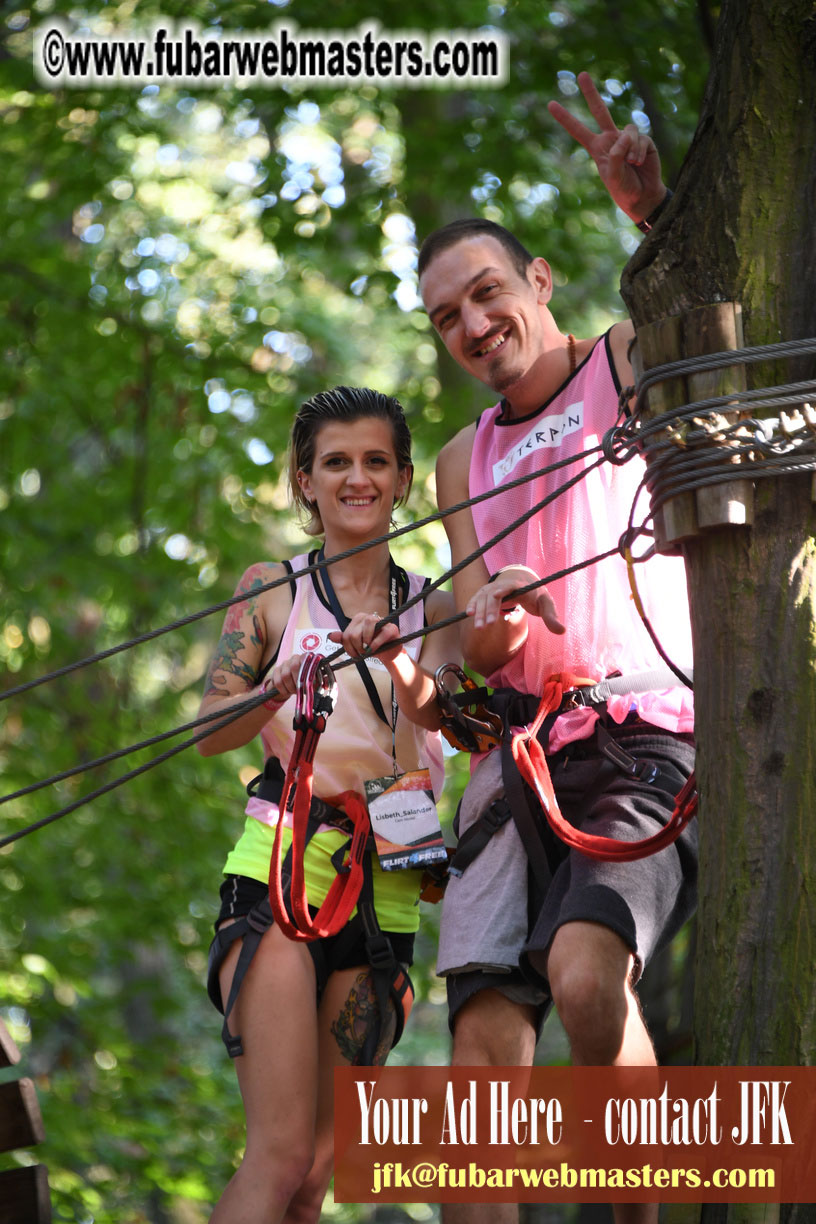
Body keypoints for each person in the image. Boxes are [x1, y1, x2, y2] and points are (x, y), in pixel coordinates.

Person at [417, 74, 696, 1224]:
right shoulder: (456, 460)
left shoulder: (623, 360)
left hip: (638, 738)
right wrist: (491, 624)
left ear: (537, 281)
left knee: (588, 977)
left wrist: (653, 212)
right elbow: (478, 636)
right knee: (481, 1068)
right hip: (512, 764)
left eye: (487, 294)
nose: (475, 326)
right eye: (446, 317)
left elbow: (711, 315)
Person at [196, 386, 459, 1224]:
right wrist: (267, 688)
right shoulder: (271, 591)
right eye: (335, 462)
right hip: (283, 863)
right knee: (276, 1156)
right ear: (304, 481)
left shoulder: (435, 603)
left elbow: (451, 719)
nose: (356, 478)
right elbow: (208, 732)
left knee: (317, 1172)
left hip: (388, 875)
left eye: (375, 461)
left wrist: (402, 662)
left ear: (403, 477)